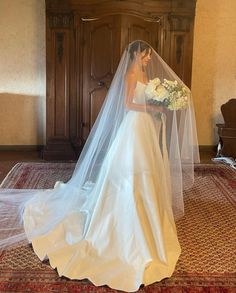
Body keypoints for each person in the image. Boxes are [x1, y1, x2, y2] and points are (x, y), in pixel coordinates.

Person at [0, 40, 199, 292]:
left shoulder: (146, 74)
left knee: (145, 172)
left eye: (148, 56)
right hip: (135, 126)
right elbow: (128, 104)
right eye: (146, 55)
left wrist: (159, 105)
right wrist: (152, 106)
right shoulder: (130, 74)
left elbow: (146, 97)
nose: (148, 59)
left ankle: (147, 215)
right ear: (136, 54)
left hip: (147, 127)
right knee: (128, 172)